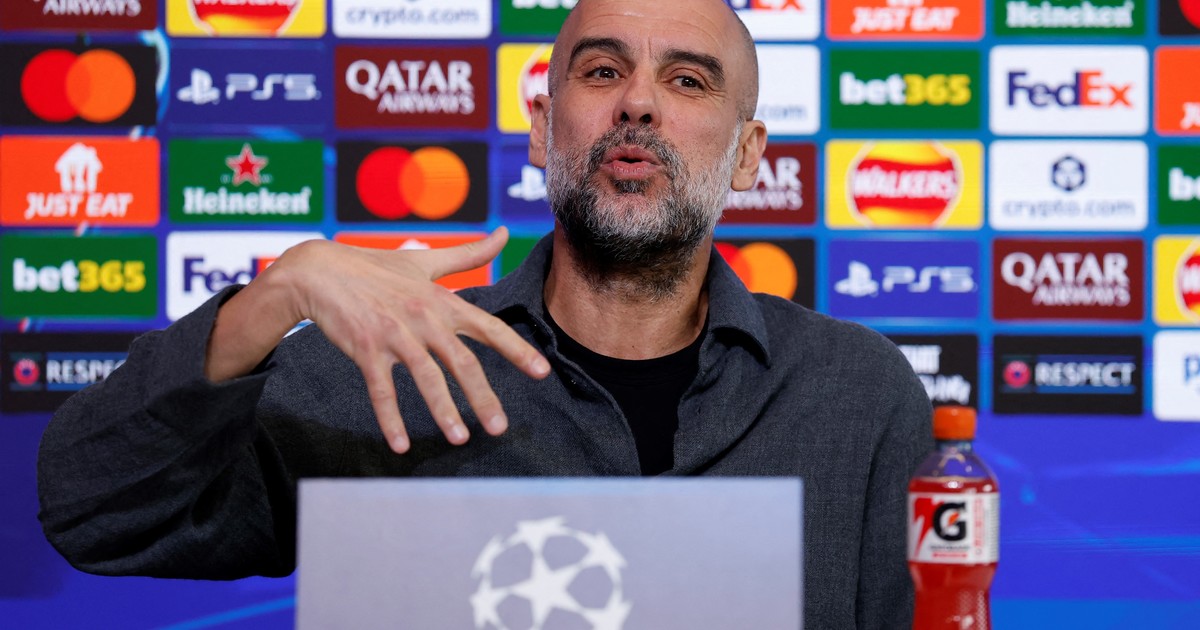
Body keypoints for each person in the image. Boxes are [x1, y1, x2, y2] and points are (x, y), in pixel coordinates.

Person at [37, 0, 933, 627]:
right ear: (543, 126)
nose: (638, 102)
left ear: (747, 155)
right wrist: (273, 298)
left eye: (689, 80)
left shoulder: (857, 392)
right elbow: (89, 511)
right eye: (603, 70)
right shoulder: (387, 371)